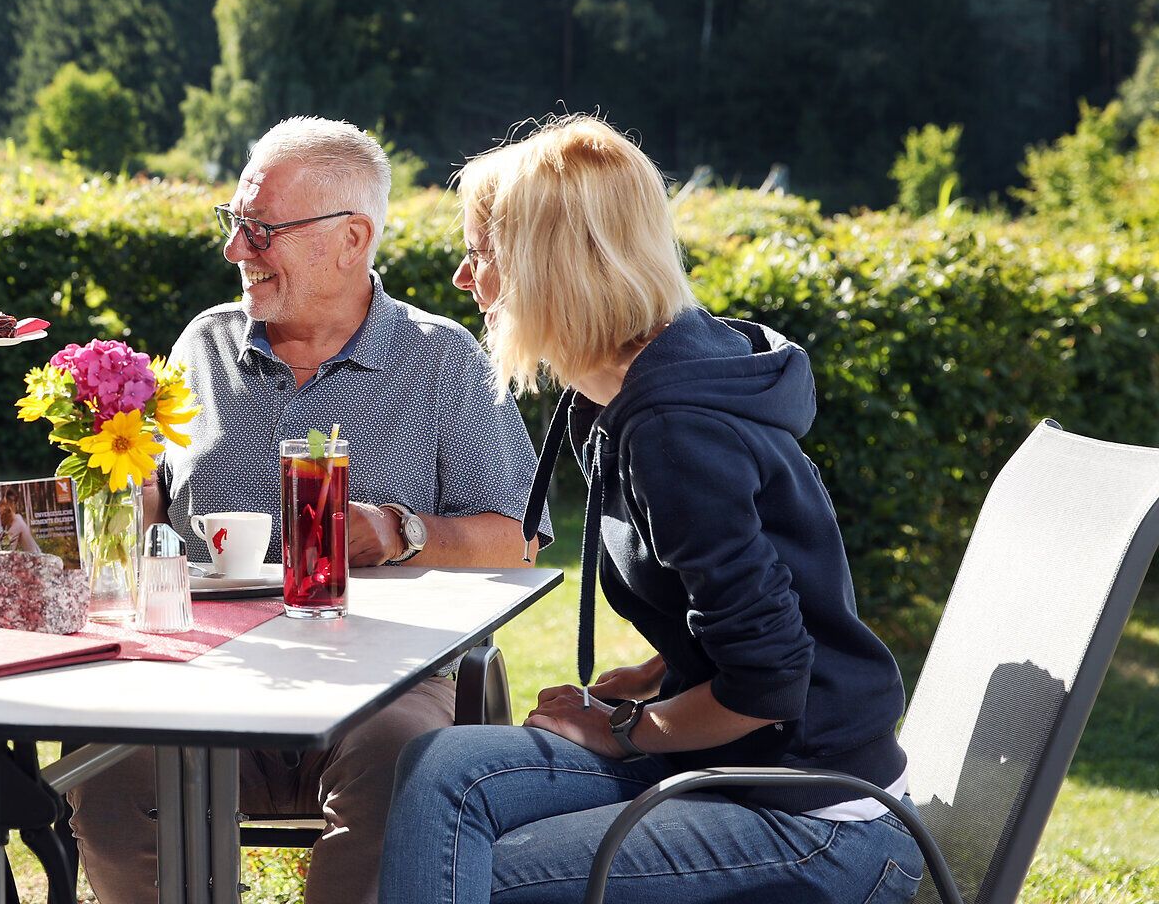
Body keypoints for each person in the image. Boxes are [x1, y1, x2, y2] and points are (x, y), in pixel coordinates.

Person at [379, 115, 921, 904]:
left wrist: (625, 730)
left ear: (546, 265)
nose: (466, 279)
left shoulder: (675, 430)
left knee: (470, 871)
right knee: (440, 770)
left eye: (480, 254)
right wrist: (656, 675)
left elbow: (771, 680)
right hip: (747, 771)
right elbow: (749, 603)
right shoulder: (647, 392)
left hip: (819, 820)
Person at [70, 117, 546, 904]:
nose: (235, 250)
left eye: (260, 230)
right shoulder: (204, 345)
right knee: (113, 765)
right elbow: (149, 501)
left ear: (352, 238)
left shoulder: (443, 358)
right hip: (206, 676)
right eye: (234, 225)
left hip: (389, 678)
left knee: (403, 758)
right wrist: (105, 487)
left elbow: (517, 539)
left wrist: (403, 533)